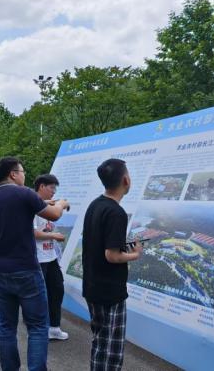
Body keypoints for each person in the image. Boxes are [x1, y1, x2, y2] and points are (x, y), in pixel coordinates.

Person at [0, 157, 69, 371]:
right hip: (27, 270)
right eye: (22, 171)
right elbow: (55, 215)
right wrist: (62, 203)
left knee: (6, 327)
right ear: (13, 174)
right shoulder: (25, 193)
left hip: (0, 271)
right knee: (37, 327)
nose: (24, 175)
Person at [82, 159, 143, 371]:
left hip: (92, 285)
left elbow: (99, 244)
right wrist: (135, 254)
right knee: (111, 350)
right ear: (126, 180)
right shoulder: (116, 212)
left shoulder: (95, 205)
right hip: (110, 291)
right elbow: (111, 255)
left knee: (100, 342)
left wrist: (122, 247)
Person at [33, 174, 68, 341]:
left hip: (51, 257)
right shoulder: (31, 204)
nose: (54, 191)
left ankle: (54, 327)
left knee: (57, 290)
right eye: (51, 188)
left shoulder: (48, 205)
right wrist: (53, 235)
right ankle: (38, 328)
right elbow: (32, 233)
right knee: (39, 296)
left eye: (55, 188)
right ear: (41, 186)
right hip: (37, 258)